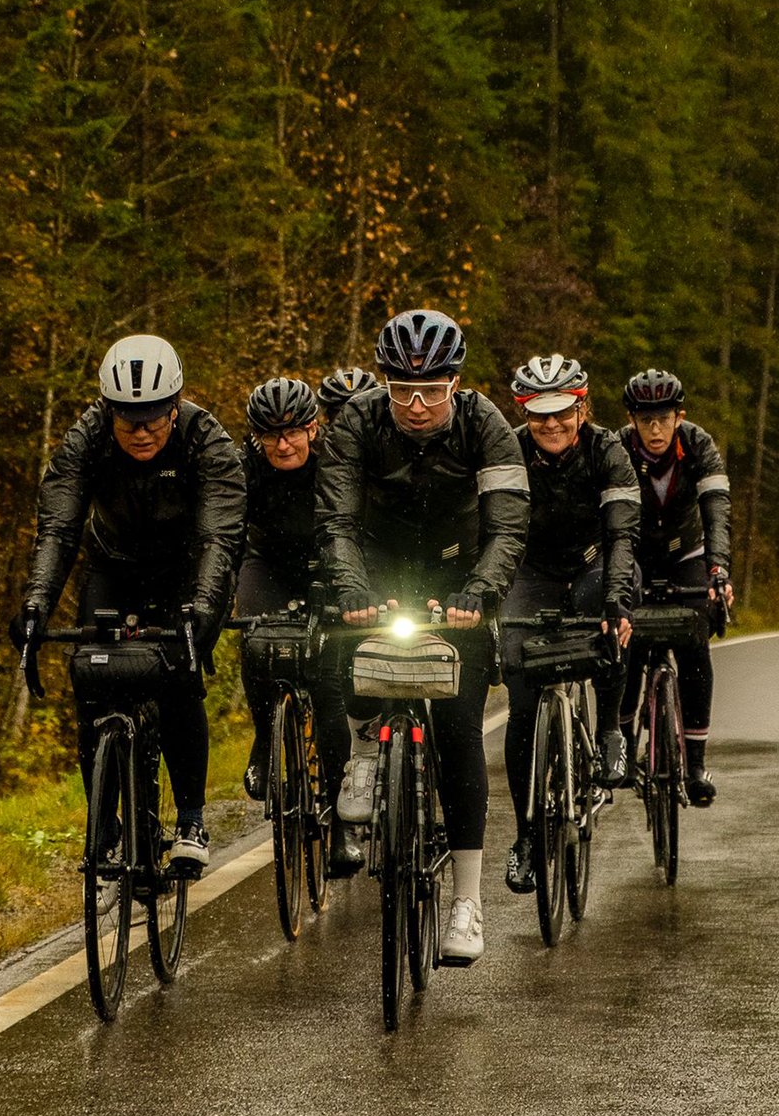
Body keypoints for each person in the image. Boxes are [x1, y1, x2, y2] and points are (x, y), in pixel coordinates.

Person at [317, 308, 530, 962]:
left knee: (459, 729)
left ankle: (466, 903)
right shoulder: (357, 423)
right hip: (377, 568)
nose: (415, 405)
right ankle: (360, 749)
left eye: (431, 391)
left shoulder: (487, 426)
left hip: (460, 575)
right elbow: (336, 522)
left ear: (455, 383)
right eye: (401, 390)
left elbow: (507, 527)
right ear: (383, 383)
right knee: (337, 649)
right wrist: (350, 587)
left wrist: (483, 590)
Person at [11, 335, 246, 873]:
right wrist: (36, 603)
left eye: (153, 419)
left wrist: (204, 605)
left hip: (190, 571)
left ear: (176, 404)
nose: (140, 432)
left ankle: (190, 819)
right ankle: (107, 820)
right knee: (91, 682)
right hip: (113, 566)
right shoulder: (86, 439)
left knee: (180, 679)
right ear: (107, 411)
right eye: (127, 420)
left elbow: (219, 537)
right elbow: (58, 529)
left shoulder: (205, 439)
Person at [501, 354, 640, 895]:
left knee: (609, 631)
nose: (551, 425)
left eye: (562, 412)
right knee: (520, 690)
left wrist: (617, 605)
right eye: (539, 415)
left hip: (593, 560)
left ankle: (609, 730)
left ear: (582, 409)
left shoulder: (609, 451)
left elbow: (622, 537)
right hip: (530, 569)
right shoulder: (509, 450)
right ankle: (527, 837)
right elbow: (488, 529)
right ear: (525, 415)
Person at [236, 377, 362, 875]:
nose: (282, 444)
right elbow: (226, 527)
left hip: (326, 562)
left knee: (329, 688)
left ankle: (340, 827)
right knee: (255, 640)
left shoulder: (335, 462)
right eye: (270, 435)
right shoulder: (246, 466)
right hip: (267, 561)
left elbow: (352, 524)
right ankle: (266, 738)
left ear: (313, 428)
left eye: (292, 433)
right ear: (256, 436)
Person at [618, 368, 733, 806]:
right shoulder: (618, 449)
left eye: (663, 418)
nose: (655, 428)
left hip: (688, 552)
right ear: (632, 419)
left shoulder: (699, 445)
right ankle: (624, 745)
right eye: (645, 419)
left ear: (678, 416)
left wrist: (719, 570)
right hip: (634, 556)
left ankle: (696, 762)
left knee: (695, 646)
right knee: (625, 641)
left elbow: (717, 510)